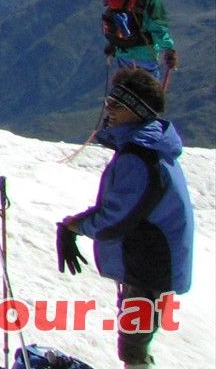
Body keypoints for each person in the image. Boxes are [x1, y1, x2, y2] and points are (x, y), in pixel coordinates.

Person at [59, 68, 194, 369]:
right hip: (153, 258)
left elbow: (118, 219)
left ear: (135, 111)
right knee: (137, 336)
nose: (108, 109)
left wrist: (78, 225)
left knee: (133, 343)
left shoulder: (138, 156)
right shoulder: (150, 148)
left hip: (149, 262)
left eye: (116, 104)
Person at [113, 0, 178, 83]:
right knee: (150, 87)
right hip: (145, 55)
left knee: (125, 84)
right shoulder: (152, 0)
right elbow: (158, 30)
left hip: (124, 54)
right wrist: (169, 49)